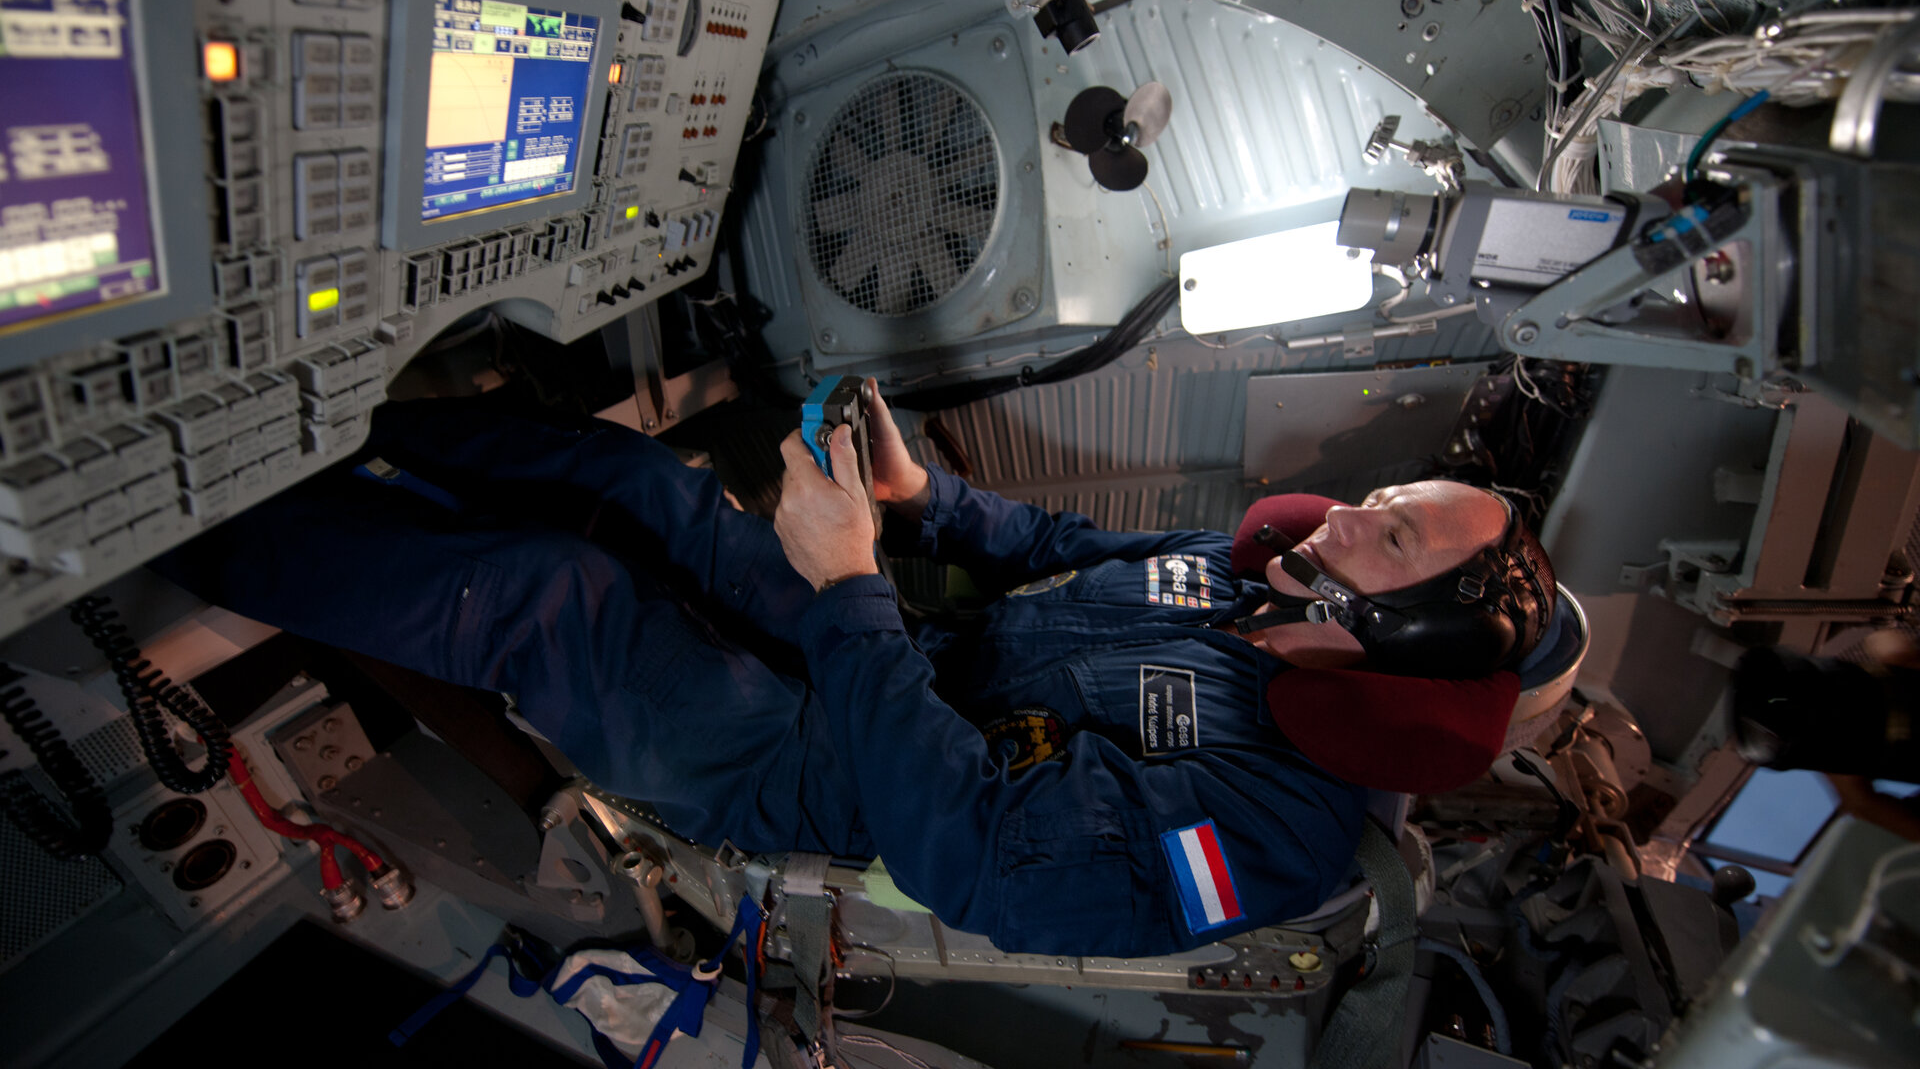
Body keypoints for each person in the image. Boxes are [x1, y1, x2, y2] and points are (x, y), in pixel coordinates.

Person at [161, 382, 1554, 958]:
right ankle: (329, 413)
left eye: (1398, 533)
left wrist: (843, 585)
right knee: (645, 482)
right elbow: (1055, 544)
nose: (1357, 509)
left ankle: (198, 519)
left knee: (551, 593)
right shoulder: (1261, 571)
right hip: (899, 654)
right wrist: (923, 498)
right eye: (1395, 492)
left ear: (1410, 636)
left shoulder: (1276, 830)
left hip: (830, 781)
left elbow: (975, 854)